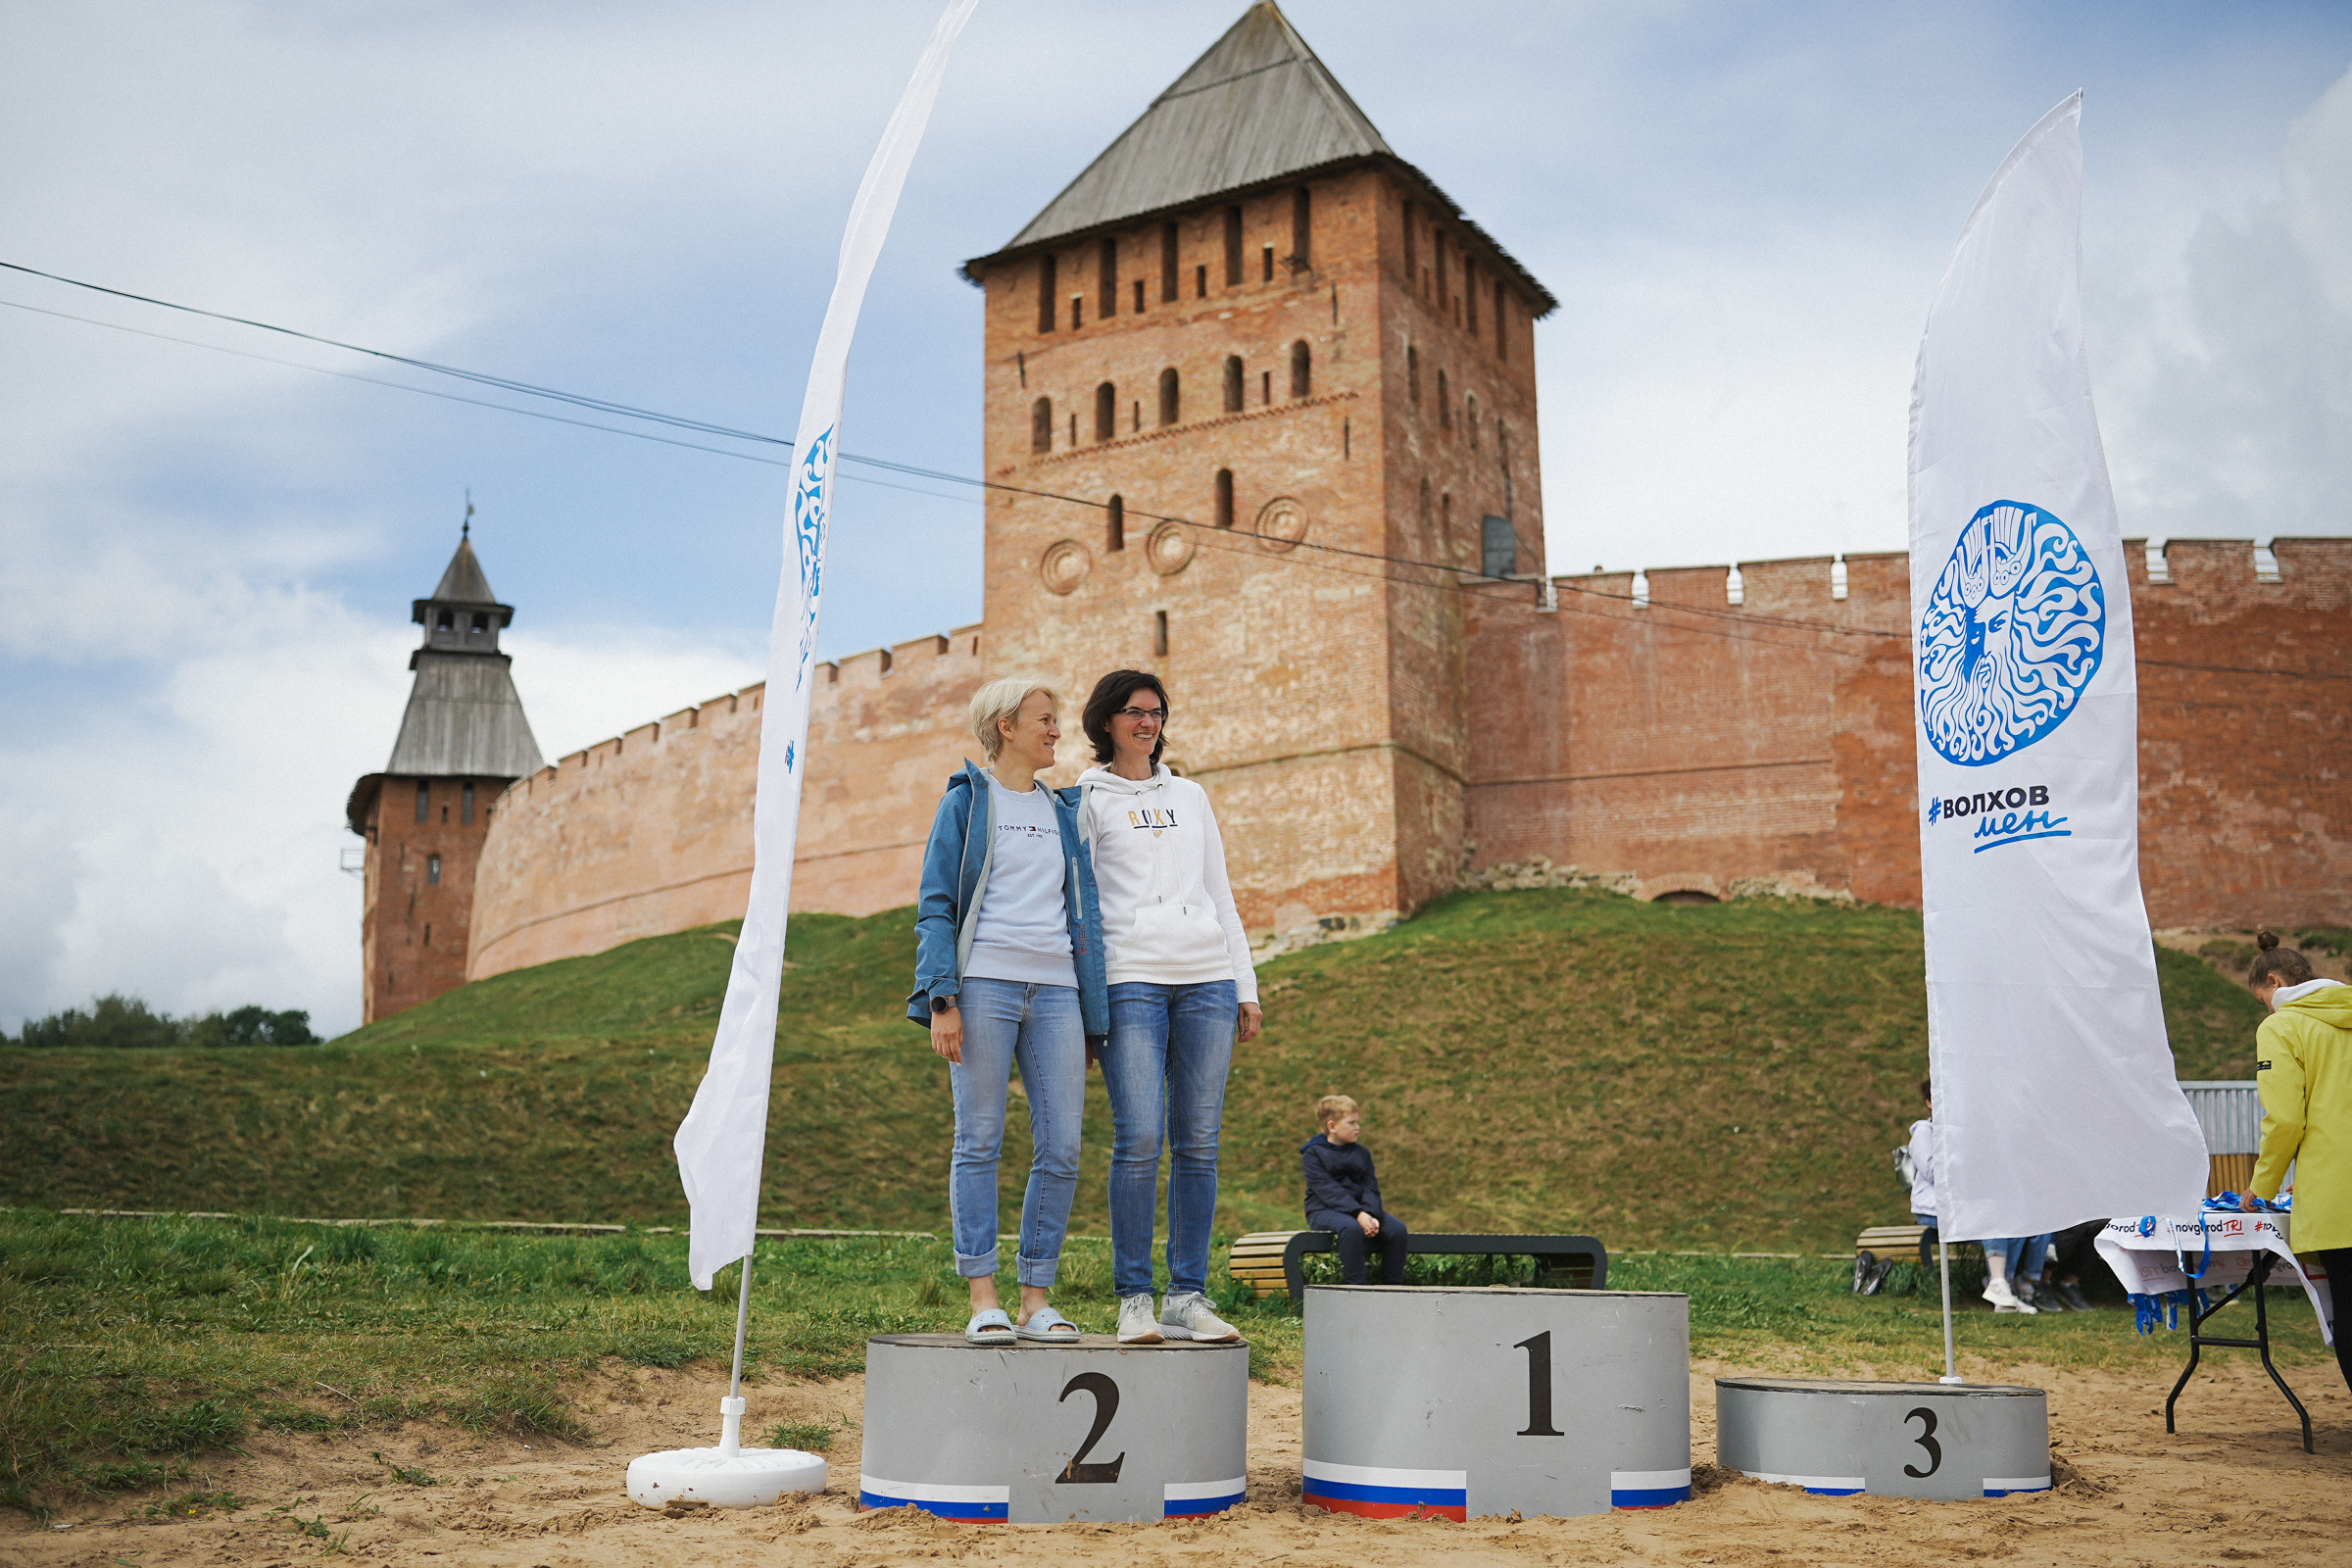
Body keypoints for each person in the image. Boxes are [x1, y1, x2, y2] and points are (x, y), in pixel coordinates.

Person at [906, 678, 1108, 1348]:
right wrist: (943, 997)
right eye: (1045, 720)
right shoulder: (968, 801)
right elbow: (937, 903)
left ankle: (1035, 1299)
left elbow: (1086, 911)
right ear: (1005, 728)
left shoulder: (1063, 809)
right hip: (985, 983)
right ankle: (983, 1295)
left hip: (1057, 993)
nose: (1057, 731)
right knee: (980, 1139)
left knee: (1063, 1146)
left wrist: (1091, 1012)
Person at [1077, 669, 1261, 1346]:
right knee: (1140, 1140)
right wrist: (1088, 1006)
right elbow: (1083, 911)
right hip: (1132, 980)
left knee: (1201, 1143)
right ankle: (1134, 1298)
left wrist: (1245, 985)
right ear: (1106, 722)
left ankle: (1188, 1294)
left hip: (1207, 979)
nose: (1146, 722)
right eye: (1132, 712)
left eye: (1155, 712)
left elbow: (1221, 892)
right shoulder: (1087, 799)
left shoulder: (1191, 795)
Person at [2236, 929, 2352, 1394]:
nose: (2265, 1009)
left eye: (2263, 999)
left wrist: (2261, 1186)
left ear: (2275, 981)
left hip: (2337, 1193)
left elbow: (2285, 1120)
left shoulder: (2281, 1026)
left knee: (2347, 1305)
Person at [1301, 1095, 1409, 1285]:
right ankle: (1357, 1289)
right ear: (1332, 1126)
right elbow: (1327, 1190)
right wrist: (1358, 1213)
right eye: (1351, 1123)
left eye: (1358, 1122)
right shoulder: (1313, 1154)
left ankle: (1393, 1289)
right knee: (1350, 1229)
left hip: (1361, 1211)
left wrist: (1370, 1214)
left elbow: (1370, 1187)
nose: (1358, 1127)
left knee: (1397, 1230)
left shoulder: (1362, 1153)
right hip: (1323, 1211)